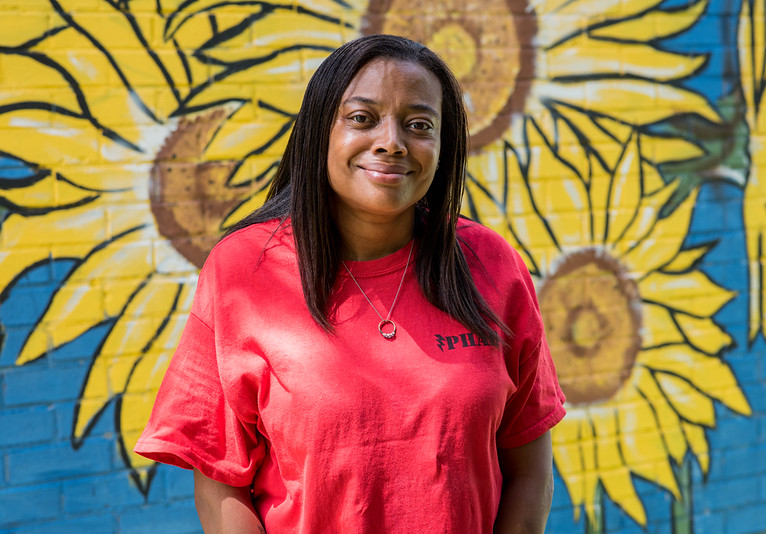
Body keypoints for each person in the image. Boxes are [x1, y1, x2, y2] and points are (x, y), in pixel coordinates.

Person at [134, 34, 566, 534]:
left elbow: (530, 470)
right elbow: (219, 481)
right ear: (320, 131)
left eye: (419, 125)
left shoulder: (492, 264)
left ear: (444, 146)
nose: (391, 142)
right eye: (362, 118)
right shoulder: (243, 271)